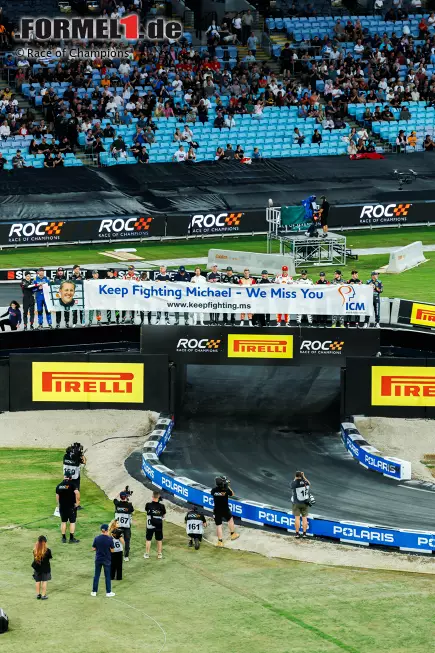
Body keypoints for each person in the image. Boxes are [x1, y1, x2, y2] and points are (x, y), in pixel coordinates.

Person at [211, 476, 240, 547]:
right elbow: (232, 494)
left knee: (219, 525)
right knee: (230, 520)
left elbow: (215, 493)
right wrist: (228, 486)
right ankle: (233, 534)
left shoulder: (213, 490)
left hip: (217, 510)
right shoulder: (226, 490)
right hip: (225, 509)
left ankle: (220, 542)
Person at [55, 471, 80, 544]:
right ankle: (71, 539)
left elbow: (57, 496)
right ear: (70, 477)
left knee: (63, 522)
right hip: (71, 506)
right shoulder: (72, 484)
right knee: (72, 522)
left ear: (64, 476)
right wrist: (78, 502)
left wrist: (58, 504)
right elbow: (77, 492)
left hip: (62, 507)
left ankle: (63, 538)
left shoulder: (59, 485)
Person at [91, 524, 115, 597]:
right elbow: (112, 550)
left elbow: (93, 548)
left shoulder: (97, 538)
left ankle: (94, 591)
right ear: (107, 530)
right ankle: (108, 592)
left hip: (98, 559)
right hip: (107, 560)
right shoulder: (110, 539)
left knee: (96, 575)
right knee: (107, 576)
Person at [144, 491, 166, 560]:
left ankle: (147, 554)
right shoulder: (162, 506)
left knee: (148, 539)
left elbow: (147, 510)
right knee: (159, 540)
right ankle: (159, 554)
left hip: (150, 525)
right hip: (158, 525)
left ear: (152, 497)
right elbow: (163, 515)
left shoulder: (148, 505)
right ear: (159, 497)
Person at [114, 490, 134, 562]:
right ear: (126, 497)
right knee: (127, 541)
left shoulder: (117, 504)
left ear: (120, 497)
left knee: (116, 539)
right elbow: (132, 510)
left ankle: (116, 553)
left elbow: (115, 499)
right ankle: (126, 556)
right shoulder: (129, 505)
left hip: (118, 525)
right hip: (127, 526)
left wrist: (121, 491)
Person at [291, 471, 311, 538]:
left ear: (296, 476)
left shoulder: (295, 483)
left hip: (297, 503)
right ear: (301, 476)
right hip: (305, 503)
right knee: (304, 519)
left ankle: (297, 534)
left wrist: (296, 477)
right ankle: (304, 534)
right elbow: (309, 483)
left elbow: (292, 484)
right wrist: (303, 476)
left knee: (297, 518)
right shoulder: (306, 483)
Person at [32, 535, 52, 600]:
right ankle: (43, 596)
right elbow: (49, 558)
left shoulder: (35, 550)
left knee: (37, 581)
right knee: (44, 581)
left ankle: (38, 595)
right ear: (45, 542)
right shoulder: (48, 550)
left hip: (37, 568)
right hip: (45, 568)